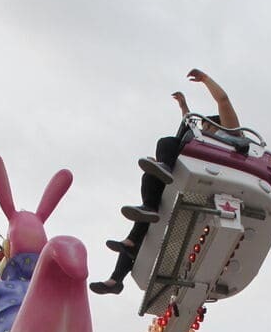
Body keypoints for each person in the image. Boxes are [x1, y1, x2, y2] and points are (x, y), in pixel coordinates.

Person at [91, 69, 239, 295]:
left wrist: (206, 80)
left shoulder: (230, 134)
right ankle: (116, 278)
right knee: (147, 197)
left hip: (221, 172)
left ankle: (164, 170)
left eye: (208, 127)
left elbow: (223, 100)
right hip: (190, 178)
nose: (203, 132)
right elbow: (189, 126)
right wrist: (184, 107)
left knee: (168, 142)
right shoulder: (198, 146)